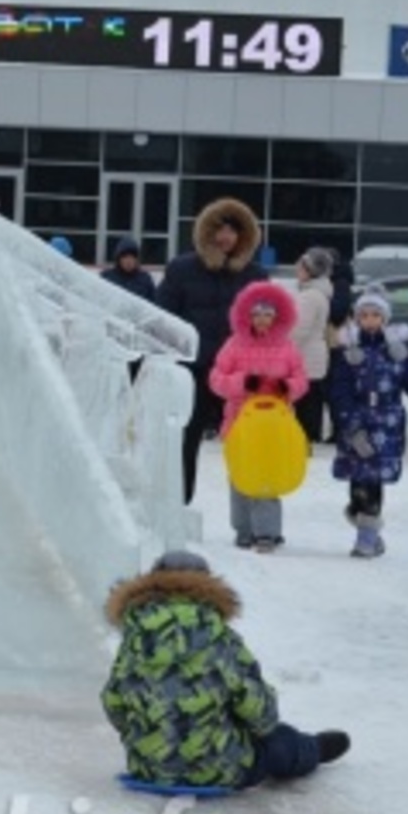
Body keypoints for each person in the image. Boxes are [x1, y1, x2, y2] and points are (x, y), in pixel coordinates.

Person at [102, 549, 350, 790]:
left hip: (149, 769)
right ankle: (311, 750)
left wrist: (147, 733)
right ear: (208, 586)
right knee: (278, 741)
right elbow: (259, 710)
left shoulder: (133, 640)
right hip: (221, 770)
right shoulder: (221, 639)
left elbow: (113, 701)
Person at [154, 197, 268, 504]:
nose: (226, 237)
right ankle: (178, 503)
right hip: (194, 369)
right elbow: (164, 316)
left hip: (239, 374)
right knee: (185, 439)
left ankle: (252, 517)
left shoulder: (256, 275)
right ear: (208, 232)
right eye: (220, 229)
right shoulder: (182, 268)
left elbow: (267, 326)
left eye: (233, 231)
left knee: (248, 441)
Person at [329, 288, 408, 558]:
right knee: (357, 485)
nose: (370, 320)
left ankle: (366, 539)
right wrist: (350, 423)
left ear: (385, 319)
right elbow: (339, 391)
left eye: (376, 315)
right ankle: (366, 525)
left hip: (387, 427)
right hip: (356, 426)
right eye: (365, 315)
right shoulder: (349, 353)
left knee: (373, 483)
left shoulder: (398, 354)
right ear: (357, 319)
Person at [208, 283, 309, 553]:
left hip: (275, 426)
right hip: (239, 423)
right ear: (247, 316)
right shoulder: (233, 345)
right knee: (241, 475)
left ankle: (268, 531)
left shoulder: (288, 348)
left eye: (268, 314)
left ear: (277, 316)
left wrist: (287, 387)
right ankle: (243, 529)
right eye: (257, 314)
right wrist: (243, 382)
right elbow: (216, 379)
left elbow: (301, 380)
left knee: (269, 475)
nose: (262, 319)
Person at [289, 247, 334, 443]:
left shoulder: (309, 296)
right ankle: (309, 436)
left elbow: (299, 329)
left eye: (300, 266)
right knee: (312, 400)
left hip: (306, 357)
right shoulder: (319, 293)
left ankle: (305, 440)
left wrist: (285, 349)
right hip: (315, 355)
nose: (296, 269)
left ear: (309, 271)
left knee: (305, 404)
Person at [98, 236, 156, 302]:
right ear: (118, 259)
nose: (128, 261)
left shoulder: (145, 280)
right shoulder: (107, 278)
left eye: (132, 257)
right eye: (125, 257)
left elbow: (153, 305)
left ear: (137, 259)